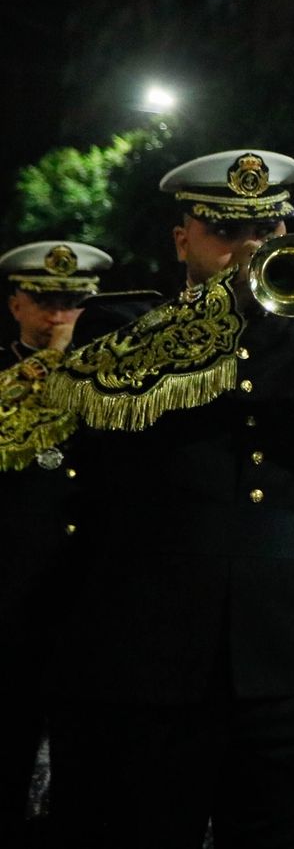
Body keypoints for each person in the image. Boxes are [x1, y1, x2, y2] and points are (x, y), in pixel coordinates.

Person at [44, 149, 294, 849]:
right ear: (182, 238)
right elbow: (94, 422)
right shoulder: (121, 322)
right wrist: (222, 307)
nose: (249, 249)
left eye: (266, 232)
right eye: (225, 232)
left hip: (284, 644)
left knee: (279, 829)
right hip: (157, 645)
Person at [0, 241, 111, 844]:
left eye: (73, 303)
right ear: (16, 304)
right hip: (14, 595)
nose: (59, 316)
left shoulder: (116, 379)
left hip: (92, 595)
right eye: (45, 302)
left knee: (88, 764)